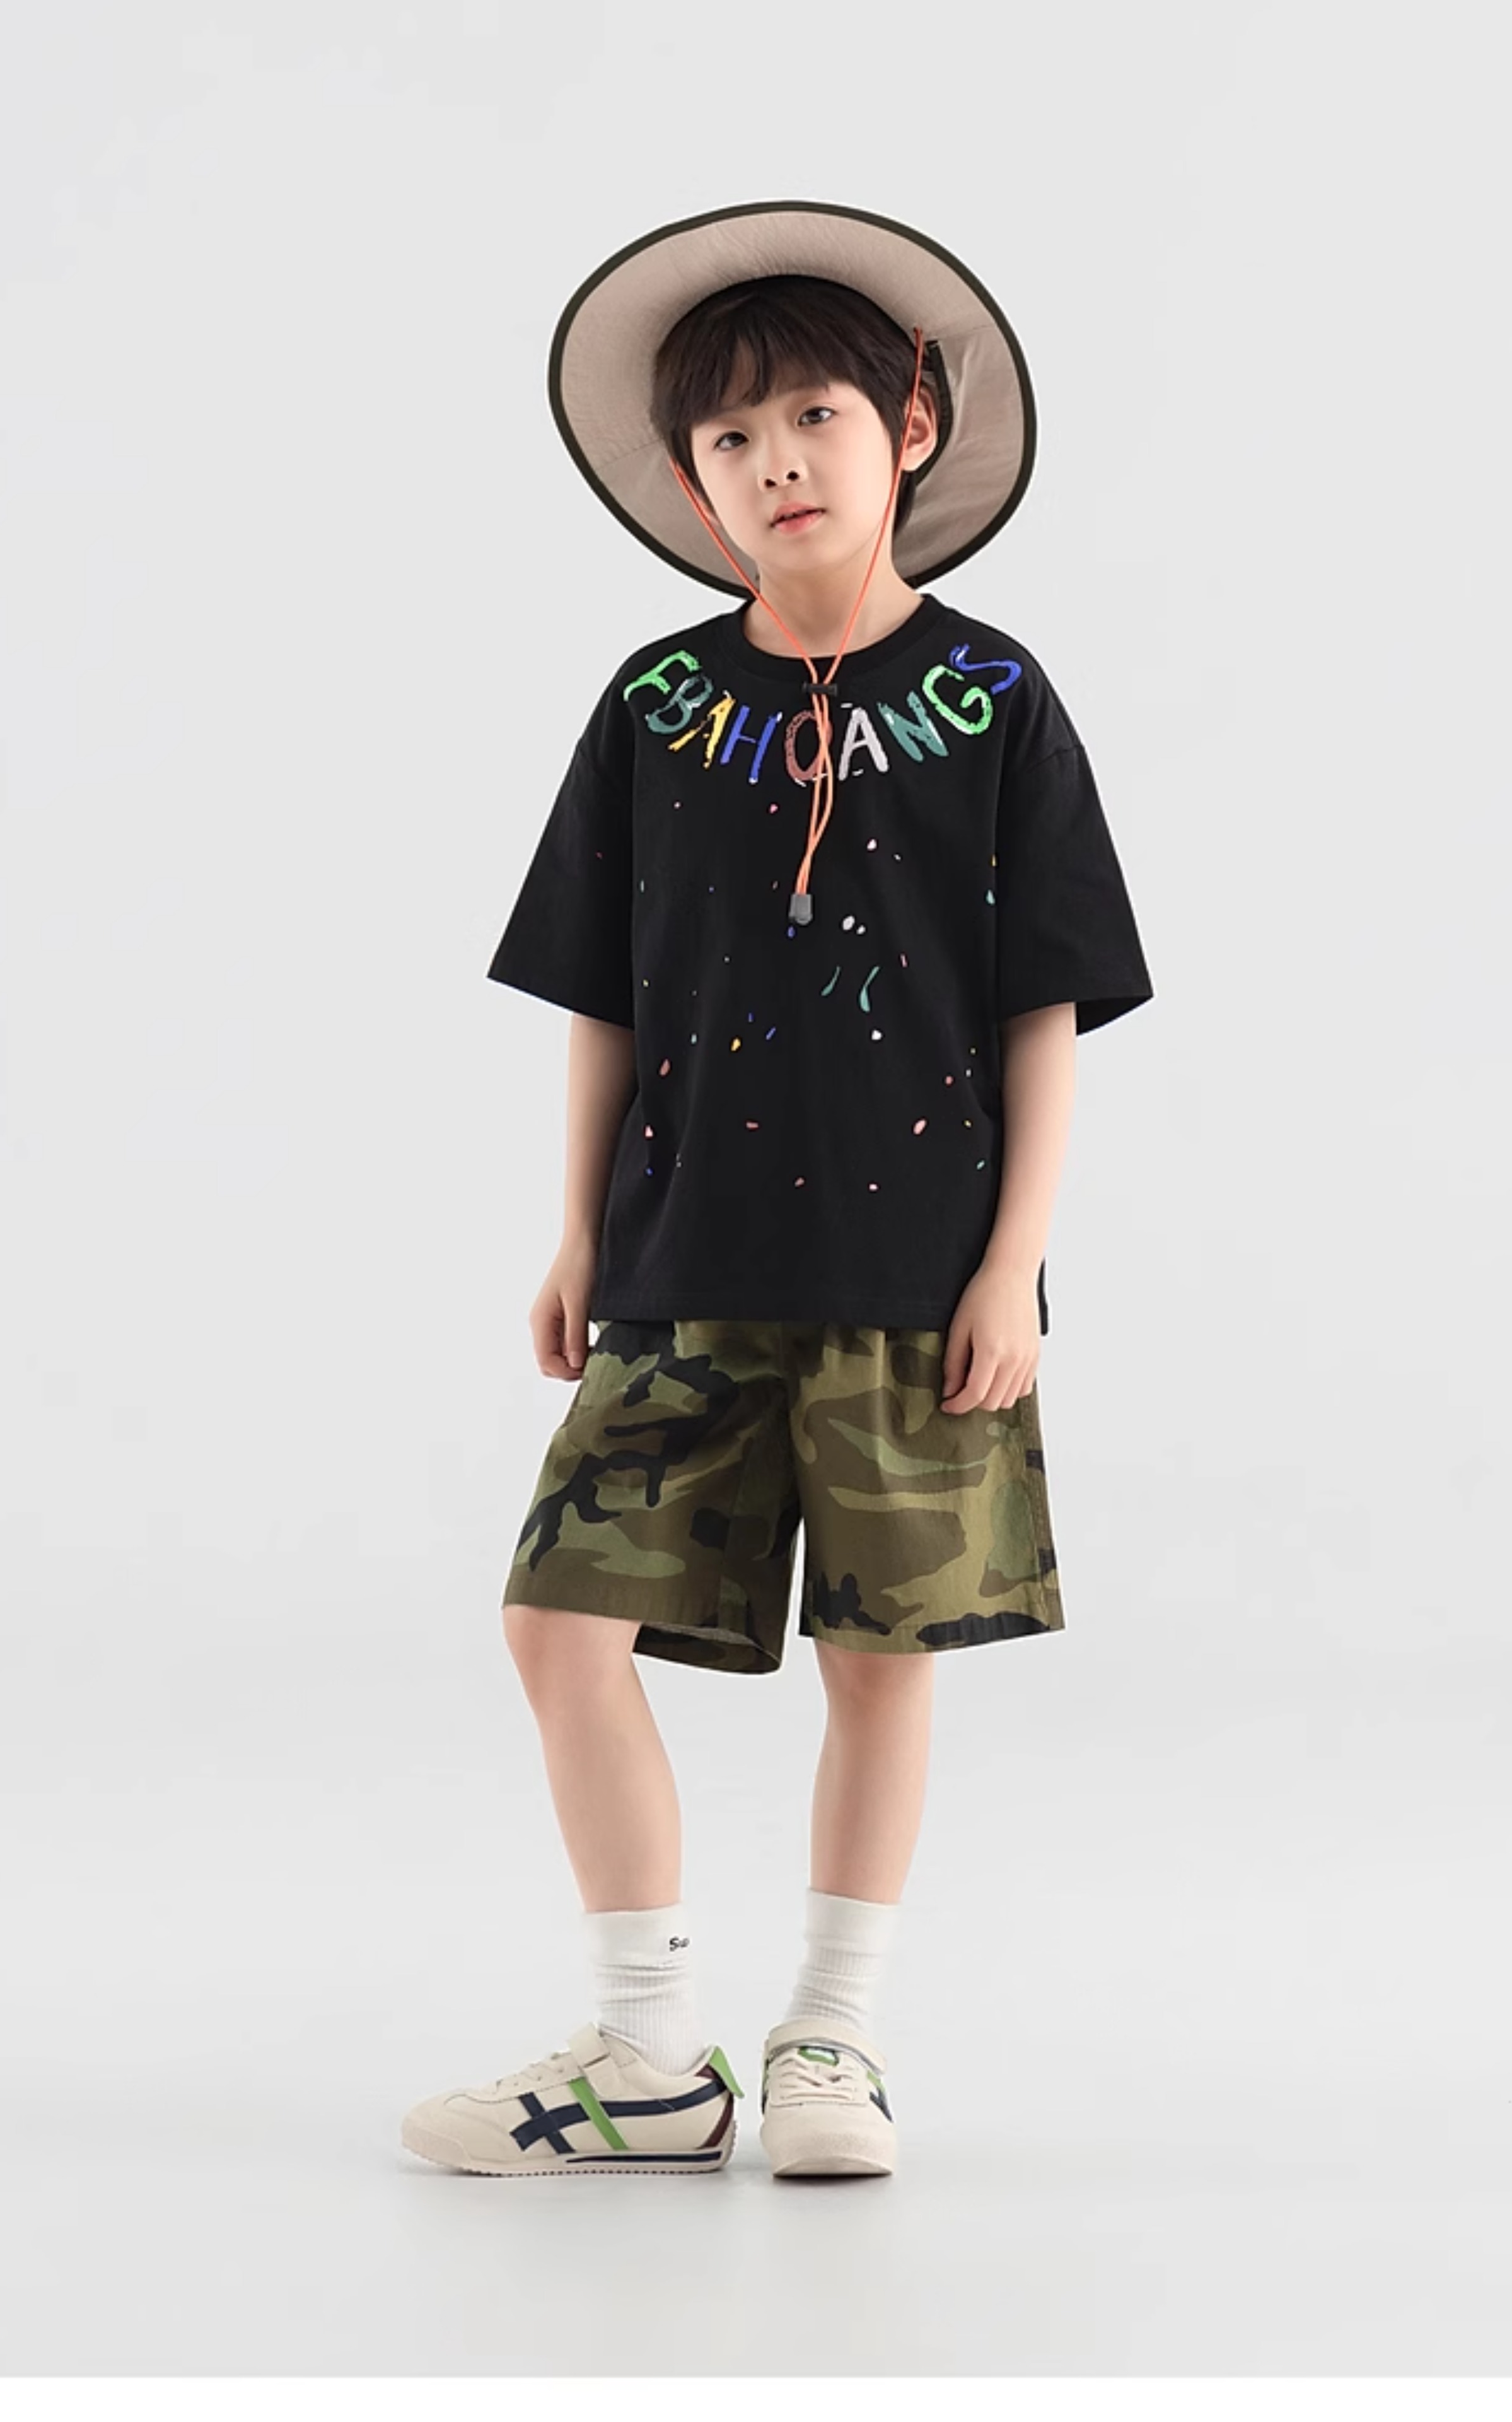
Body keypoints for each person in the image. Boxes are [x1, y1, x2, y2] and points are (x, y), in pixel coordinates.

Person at [400, 200, 1153, 2182]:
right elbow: (607, 993)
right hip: (680, 1263)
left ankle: (834, 2037)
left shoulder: (996, 696)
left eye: (815, 414)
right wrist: (580, 1230)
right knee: (559, 1629)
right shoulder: (655, 705)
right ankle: (649, 2055)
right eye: (731, 438)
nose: (778, 463)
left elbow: (1047, 1008)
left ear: (911, 424)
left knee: (878, 1659)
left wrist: (1016, 1262)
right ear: (687, 482)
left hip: (921, 1272)